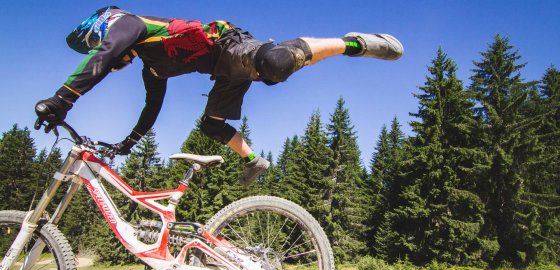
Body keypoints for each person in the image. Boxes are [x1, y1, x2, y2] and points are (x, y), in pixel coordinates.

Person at [34, 6, 403, 186]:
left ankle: (352, 43)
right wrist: (129, 142)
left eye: (101, 44)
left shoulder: (131, 25)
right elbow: (152, 106)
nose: (113, 61)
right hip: (222, 72)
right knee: (212, 125)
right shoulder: (152, 67)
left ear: (104, 28)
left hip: (229, 45)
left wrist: (61, 100)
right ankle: (255, 160)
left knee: (274, 64)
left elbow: (104, 55)